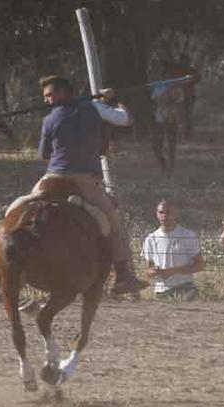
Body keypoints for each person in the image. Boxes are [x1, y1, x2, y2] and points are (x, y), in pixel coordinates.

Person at [32, 75, 147, 295]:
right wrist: (114, 100)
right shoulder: (94, 108)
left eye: (50, 95)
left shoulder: (49, 120)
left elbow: (43, 153)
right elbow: (125, 119)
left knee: (20, 208)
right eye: (46, 96)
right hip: (85, 180)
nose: (47, 100)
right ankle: (123, 275)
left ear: (65, 92)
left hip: (52, 177)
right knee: (114, 224)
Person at [141, 199, 204, 301]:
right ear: (156, 214)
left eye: (168, 212)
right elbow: (148, 271)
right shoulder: (150, 239)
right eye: (161, 212)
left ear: (175, 214)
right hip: (161, 291)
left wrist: (173, 271)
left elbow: (200, 265)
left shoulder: (188, 235)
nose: (164, 216)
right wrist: (157, 271)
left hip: (185, 288)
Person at [151, 68, 183, 177]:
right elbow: (155, 102)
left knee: (171, 144)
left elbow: (179, 103)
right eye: (166, 76)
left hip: (172, 119)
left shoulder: (177, 89)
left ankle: (171, 167)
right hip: (159, 118)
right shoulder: (158, 87)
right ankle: (163, 165)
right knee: (157, 144)